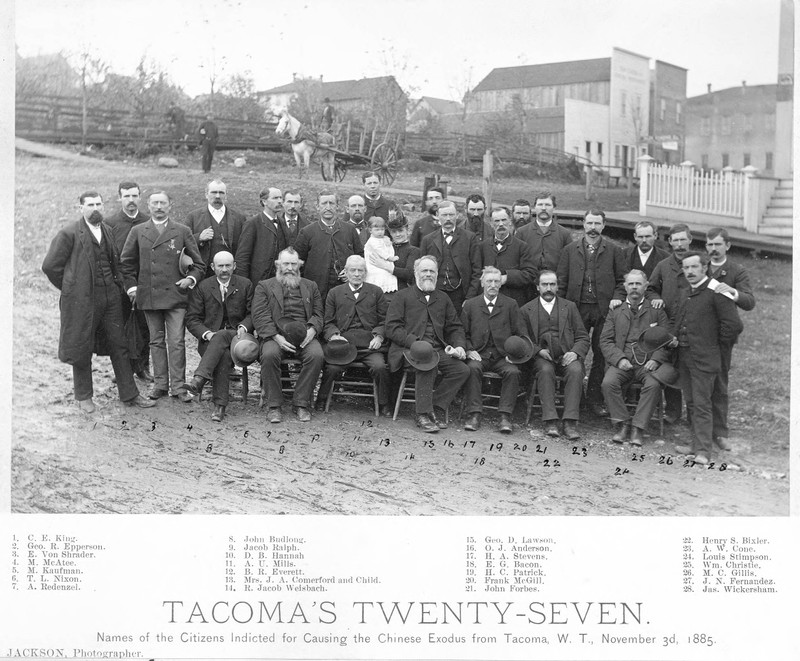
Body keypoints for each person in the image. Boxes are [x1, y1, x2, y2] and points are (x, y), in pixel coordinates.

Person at [42, 191, 156, 413]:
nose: (95, 208)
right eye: (90, 205)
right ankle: (84, 396)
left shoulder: (108, 230)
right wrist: (72, 289)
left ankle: (129, 395)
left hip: (110, 298)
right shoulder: (69, 234)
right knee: (82, 345)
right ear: (81, 208)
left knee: (119, 344)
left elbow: (116, 263)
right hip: (83, 301)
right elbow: (50, 266)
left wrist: (119, 285)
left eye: (98, 204)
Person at [120, 191, 204, 402]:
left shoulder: (182, 231)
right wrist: (132, 289)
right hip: (149, 296)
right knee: (156, 341)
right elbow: (126, 264)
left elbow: (199, 264)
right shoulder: (138, 231)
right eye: (155, 203)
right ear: (148, 206)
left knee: (176, 341)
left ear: (170, 205)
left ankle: (178, 387)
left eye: (163, 203)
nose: (159, 206)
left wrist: (190, 280)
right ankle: (160, 385)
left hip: (176, 295)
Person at [385, 256, 470, 433]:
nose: (428, 275)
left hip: (438, 348)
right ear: (416, 274)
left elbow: (455, 327)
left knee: (462, 370)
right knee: (427, 362)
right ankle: (422, 414)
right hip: (408, 349)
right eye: (424, 271)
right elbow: (392, 328)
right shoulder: (402, 296)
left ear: (437, 274)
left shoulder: (443, 298)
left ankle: (436, 407)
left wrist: (460, 346)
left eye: (432, 271)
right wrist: (414, 343)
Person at [673, 251, 743, 465]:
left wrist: (713, 347)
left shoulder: (717, 291)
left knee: (703, 404)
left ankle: (703, 451)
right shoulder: (687, 291)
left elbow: (733, 325)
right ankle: (695, 446)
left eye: (694, 267)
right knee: (692, 403)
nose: (690, 271)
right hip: (685, 357)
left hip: (705, 359)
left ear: (704, 268)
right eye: (686, 268)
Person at [557, 209, 626, 414]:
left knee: (601, 352)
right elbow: (561, 281)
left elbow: (622, 281)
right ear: (583, 224)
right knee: (574, 350)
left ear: (604, 226)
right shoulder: (570, 250)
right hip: (576, 308)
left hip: (604, 309)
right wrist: (562, 308)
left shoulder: (614, 251)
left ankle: (595, 398)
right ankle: (576, 398)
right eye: (589, 223)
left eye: (597, 224)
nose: (593, 228)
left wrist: (617, 297)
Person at [600, 270, 674, 446]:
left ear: (646, 286)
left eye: (638, 284)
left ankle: (638, 428)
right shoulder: (616, 311)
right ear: (625, 287)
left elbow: (667, 339)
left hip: (647, 363)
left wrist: (656, 359)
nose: (634, 287)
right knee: (608, 383)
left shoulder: (656, 311)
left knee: (654, 384)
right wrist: (619, 359)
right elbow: (605, 340)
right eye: (631, 284)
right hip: (622, 361)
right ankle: (622, 424)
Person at [252, 248, 325, 423]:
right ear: (278, 264)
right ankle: (274, 406)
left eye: (293, 264)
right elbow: (260, 315)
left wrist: (312, 330)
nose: (290, 268)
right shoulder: (264, 286)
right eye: (286, 263)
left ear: (299, 265)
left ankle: (300, 403)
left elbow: (319, 314)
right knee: (269, 355)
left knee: (317, 355)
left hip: (305, 335)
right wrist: (276, 337)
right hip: (276, 335)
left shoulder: (311, 286)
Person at [184, 251, 254, 422]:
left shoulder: (245, 284)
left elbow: (253, 314)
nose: (224, 269)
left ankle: (199, 378)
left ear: (234, 266)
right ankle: (219, 406)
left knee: (222, 335)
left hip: (238, 340)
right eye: (220, 266)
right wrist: (206, 334)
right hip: (210, 342)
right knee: (222, 352)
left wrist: (244, 326)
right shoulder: (203, 286)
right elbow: (192, 318)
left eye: (228, 265)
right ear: (213, 267)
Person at [317, 255, 391, 415]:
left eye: (361, 270)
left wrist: (379, 336)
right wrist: (334, 336)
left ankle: (384, 403)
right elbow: (327, 322)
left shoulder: (376, 292)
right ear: (346, 272)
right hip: (343, 346)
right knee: (331, 368)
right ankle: (322, 399)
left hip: (369, 347)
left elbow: (385, 321)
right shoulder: (335, 293)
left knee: (379, 367)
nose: (357, 274)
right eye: (353, 270)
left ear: (365, 272)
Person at [520, 271, 589, 440]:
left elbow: (583, 336)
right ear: (537, 287)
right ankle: (550, 420)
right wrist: (538, 351)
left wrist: (574, 352)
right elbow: (523, 339)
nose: (548, 288)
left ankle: (569, 422)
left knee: (576, 370)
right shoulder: (526, 309)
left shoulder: (569, 307)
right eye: (544, 284)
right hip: (542, 358)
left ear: (557, 287)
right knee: (545, 371)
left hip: (567, 355)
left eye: (552, 284)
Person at [705, 227, 755, 449]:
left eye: (717, 244)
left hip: (723, 335)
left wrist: (733, 291)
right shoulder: (699, 268)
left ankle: (720, 431)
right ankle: (699, 430)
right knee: (698, 383)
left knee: (719, 382)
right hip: (700, 334)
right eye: (709, 244)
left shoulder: (736, 271)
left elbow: (749, 301)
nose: (713, 249)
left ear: (727, 245)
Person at [461, 266, 527, 433]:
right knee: (472, 368)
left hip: (501, 356)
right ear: (482, 282)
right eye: (489, 281)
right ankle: (474, 414)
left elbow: (521, 334)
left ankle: (505, 416)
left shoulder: (511, 305)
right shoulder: (470, 305)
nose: (493, 285)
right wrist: (468, 350)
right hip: (479, 354)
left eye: (496, 281)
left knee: (513, 372)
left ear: (501, 284)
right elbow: (462, 333)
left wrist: (513, 355)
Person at [104, 181, 152, 381]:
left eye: (134, 196)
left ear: (140, 197)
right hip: (119, 286)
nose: (131, 201)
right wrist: (122, 285)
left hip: (145, 284)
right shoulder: (110, 223)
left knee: (145, 326)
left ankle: (142, 367)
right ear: (119, 198)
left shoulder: (148, 221)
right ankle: (123, 369)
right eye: (126, 196)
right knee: (121, 328)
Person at [647, 223, 694, 424]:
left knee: (691, 370)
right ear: (670, 242)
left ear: (690, 240)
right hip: (669, 323)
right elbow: (650, 288)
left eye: (683, 239)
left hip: (692, 325)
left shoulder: (698, 264)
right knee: (670, 364)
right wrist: (656, 297)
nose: (679, 244)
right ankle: (673, 411)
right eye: (675, 240)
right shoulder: (663, 265)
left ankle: (694, 415)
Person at [294, 191, 364, 303]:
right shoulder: (307, 232)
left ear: (337, 206)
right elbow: (298, 262)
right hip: (316, 292)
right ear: (317, 207)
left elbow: (360, 256)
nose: (328, 207)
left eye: (331, 203)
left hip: (345, 290)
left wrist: (350, 271)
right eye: (324, 203)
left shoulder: (349, 230)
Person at [419, 200, 482, 310]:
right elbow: (420, 270)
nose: (448, 219)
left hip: (460, 295)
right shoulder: (428, 240)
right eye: (444, 215)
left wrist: (469, 297)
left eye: (451, 215)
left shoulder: (469, 238)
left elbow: (477, 270)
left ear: (457, 215)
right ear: (438, 216)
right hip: (435, 294)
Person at [184, 180, 246, 278]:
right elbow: (184, 245)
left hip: (230, 273)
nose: (217, 196)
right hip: (203, 274)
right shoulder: (193, 217)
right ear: (206, 194)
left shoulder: (239, 218)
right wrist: (199, 238)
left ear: (226, 195)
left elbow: (244, 249)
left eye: (221, 193)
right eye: (213, 192)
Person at [480, 206, 537, 307]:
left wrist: (506, 278)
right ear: (491, 224)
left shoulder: (522, 246)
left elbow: (530, 274)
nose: (501, 224)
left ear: (510, 221)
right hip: (488, 302)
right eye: (497, 221)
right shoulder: (483, 247)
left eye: (504, 220)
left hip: (514, 301)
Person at [235, 187, 287, 286]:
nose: (280, 201)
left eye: (281, 198)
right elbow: (242, 258)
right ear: (264, 201)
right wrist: (244, 285)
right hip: (257, 283)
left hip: (279, 282)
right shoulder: (252, 223)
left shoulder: (283, 223)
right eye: (275, 198)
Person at [516, 191, 574, 274]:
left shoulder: (564, 234)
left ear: (554, 208)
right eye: (540, 205)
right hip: (528, 284)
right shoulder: (522, 232)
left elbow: (569, 263)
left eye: (547, 205)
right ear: (534, 207)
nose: (543, 208)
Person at [370, 214, 420, 289]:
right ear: (390, 232)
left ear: (407, 230)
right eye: (394, 232)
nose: (398, 234)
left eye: (400, 230)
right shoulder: (385, 248)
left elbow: (409, 274)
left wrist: (385, 266)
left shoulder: (414, 251)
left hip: (402, 290)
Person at [364, 216, 398, 294]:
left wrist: (388, 241)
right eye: (377, 230)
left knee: (388, 274)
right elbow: (380, 251)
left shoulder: (382, 239)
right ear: (370, 230)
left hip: (384, 263)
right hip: (374, 265)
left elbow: (388, 248)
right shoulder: (372, 241)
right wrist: (389, 258)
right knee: (380, 276)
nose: (380, 232)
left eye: (382, 229)